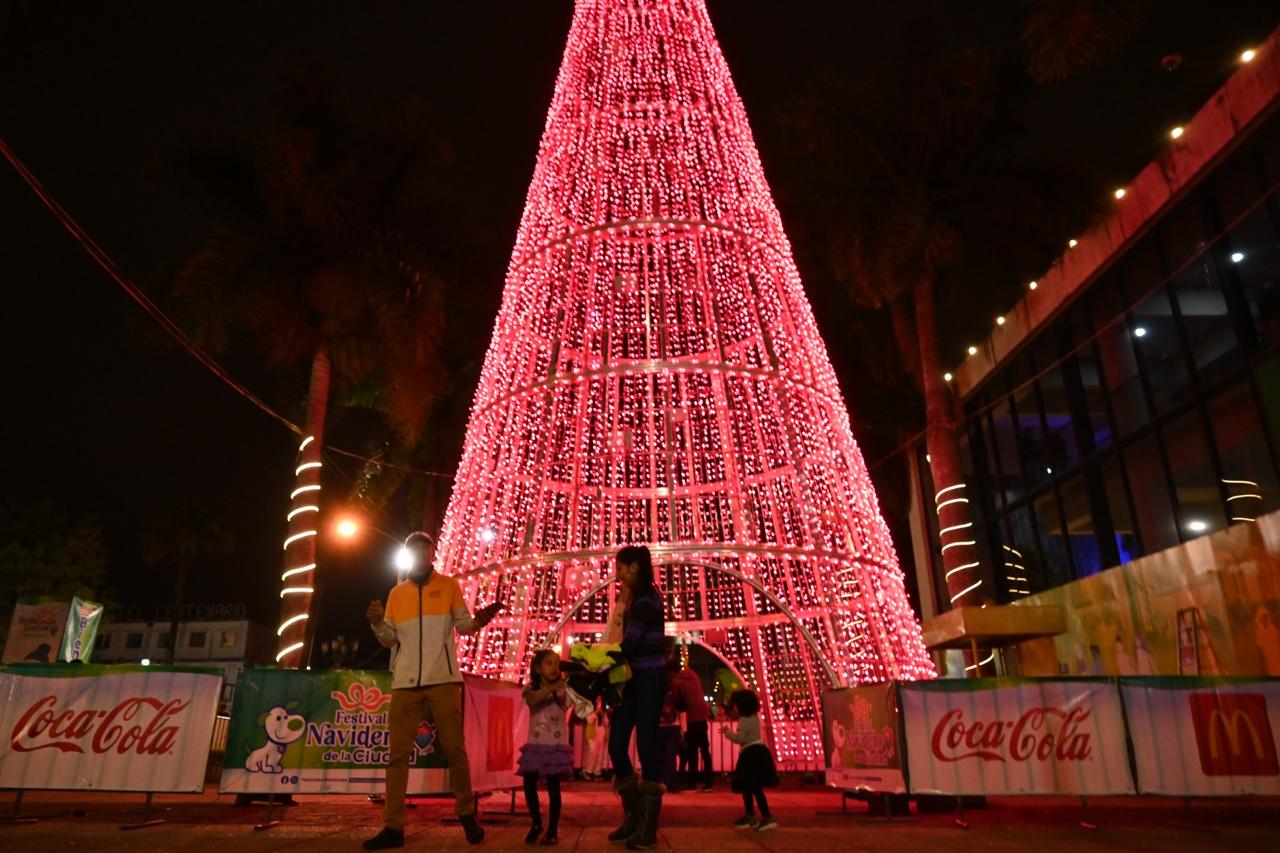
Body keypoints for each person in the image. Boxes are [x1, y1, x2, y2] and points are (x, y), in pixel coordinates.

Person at [362, 531, 502, 850]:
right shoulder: (397, 593)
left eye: (426, 547)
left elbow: (463, 626)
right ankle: (393, 826)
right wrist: (376, 623)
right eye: (415, 548)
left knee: (455, 749)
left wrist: (479, 620)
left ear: (432, 552)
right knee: (397, 756)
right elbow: (389, 638)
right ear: (410, 555)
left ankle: (466, 813)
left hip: (443, 680)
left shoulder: (449, 585)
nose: (422, 552)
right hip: (406, 682)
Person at [607, 545, 666, 850]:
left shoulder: (647, 600)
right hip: (631, 678)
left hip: (650, 677)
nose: (617, 573)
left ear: (633, 568)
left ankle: (648, 826)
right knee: (616, 744)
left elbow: (630, 644)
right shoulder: (632, 600)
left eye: (620, 567)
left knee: (646, 743)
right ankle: (632, 814)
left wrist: (597, 659)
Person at [519, 649, 573, 846]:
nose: (554, 667)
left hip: (555, 746)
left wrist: (561, 687)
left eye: (557, 664)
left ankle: (552, 830)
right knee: (529, 785)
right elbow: (532, 701)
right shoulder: (530, 688)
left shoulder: (563, 690)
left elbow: (568, 703)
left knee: (553, 787)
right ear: (537, 668)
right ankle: (536, 823)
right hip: (535, 745)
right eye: (549, 663)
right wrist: (551, 689)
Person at [722, 689, 778, 832]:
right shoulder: (754, 717)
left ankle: (764, 816)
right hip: (757, 752)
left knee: (751, 787)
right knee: (751, 786)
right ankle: (754, 815)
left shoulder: (743, 720)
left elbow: (740, 739)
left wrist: (727, 733)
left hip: (750, 755)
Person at [672, 661, 712, 791]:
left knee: (692, 752)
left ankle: (692, 782)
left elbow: (677, 701)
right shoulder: (695, 677)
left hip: (690, 719)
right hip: (702, 717)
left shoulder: (677, 682)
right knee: (705, 751)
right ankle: (709, 782)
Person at [583, 695, 609, 780]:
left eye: (600, 699)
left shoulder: (603, 709)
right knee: (593, 751)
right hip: (592, 731)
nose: (599, 701)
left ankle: (597, 772)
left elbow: (606, 723)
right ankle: (588, 771)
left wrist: (603, 714)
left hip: (601, 731)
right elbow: (589, 720)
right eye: (597, 699)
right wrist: (596, 713)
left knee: (600, 752)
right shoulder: (589, 708)